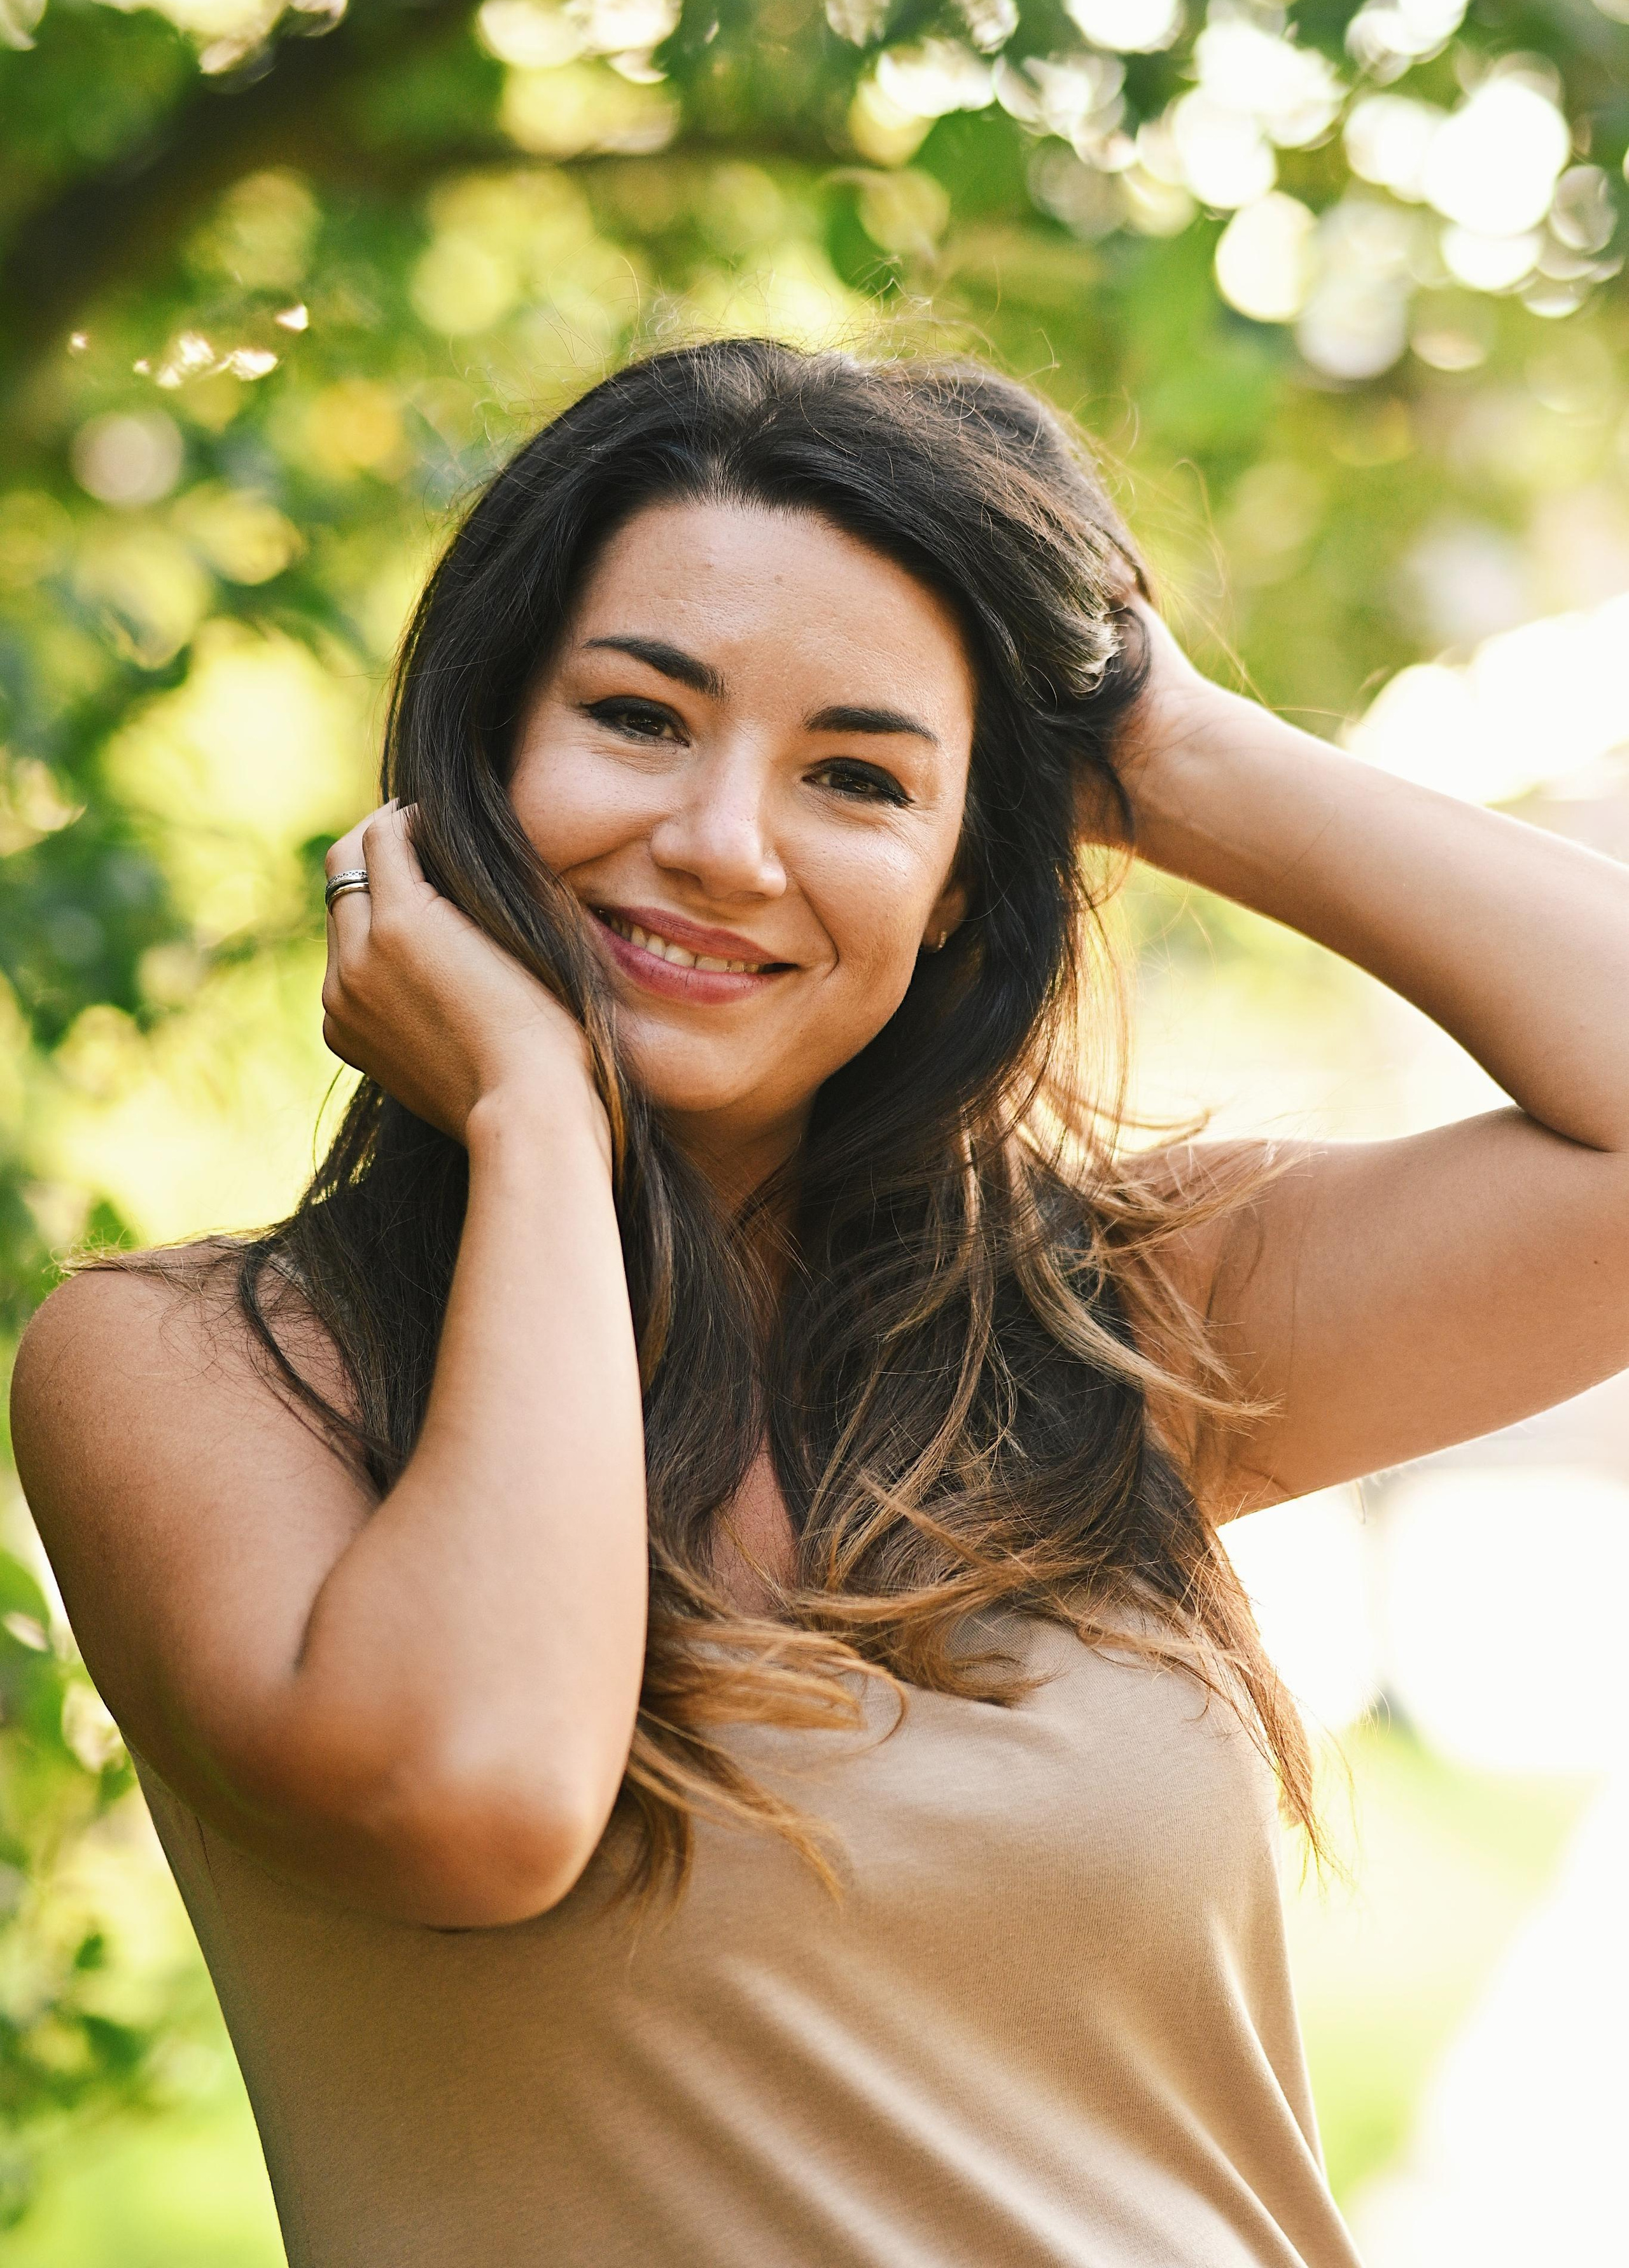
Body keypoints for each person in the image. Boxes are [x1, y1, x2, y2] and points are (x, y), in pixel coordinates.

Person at [12, 339, 1629, 2268]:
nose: (724, 841)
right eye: (636, 718)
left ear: (960, 880)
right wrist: (541, 1126)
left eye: (859, 774)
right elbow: (479, 1798)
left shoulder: (1106, 1318)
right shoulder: (203, 1371)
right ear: (477, 755)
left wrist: (1173, 749)